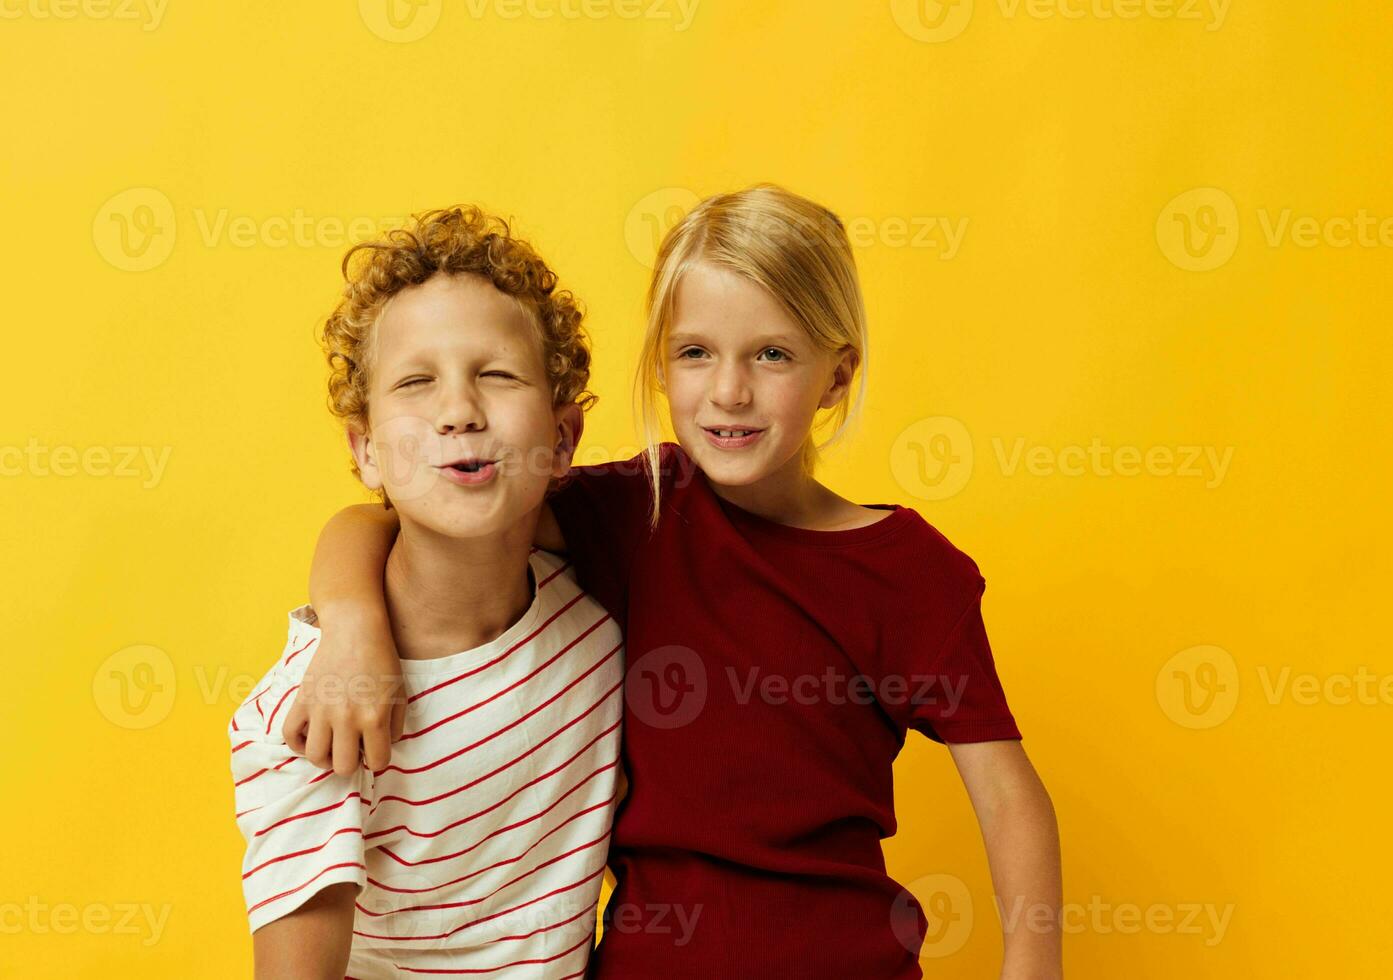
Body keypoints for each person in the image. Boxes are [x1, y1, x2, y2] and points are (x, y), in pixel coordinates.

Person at [290, 185, 1063, 978]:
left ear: (836, 376)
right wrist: (351, 629)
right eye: (696, 353)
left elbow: (1010, 798)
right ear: (663, 366)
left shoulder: (910, 573)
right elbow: (390, 516)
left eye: (772, 354)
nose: (729, 391)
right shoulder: (639, 513)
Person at [228, 206, 623, 978]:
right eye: (415, 382)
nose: (458, 412)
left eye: (498, 375)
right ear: (366, 451)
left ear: (564, 438)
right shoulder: (322, 718)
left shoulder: (598, 601)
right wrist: (346, 626)